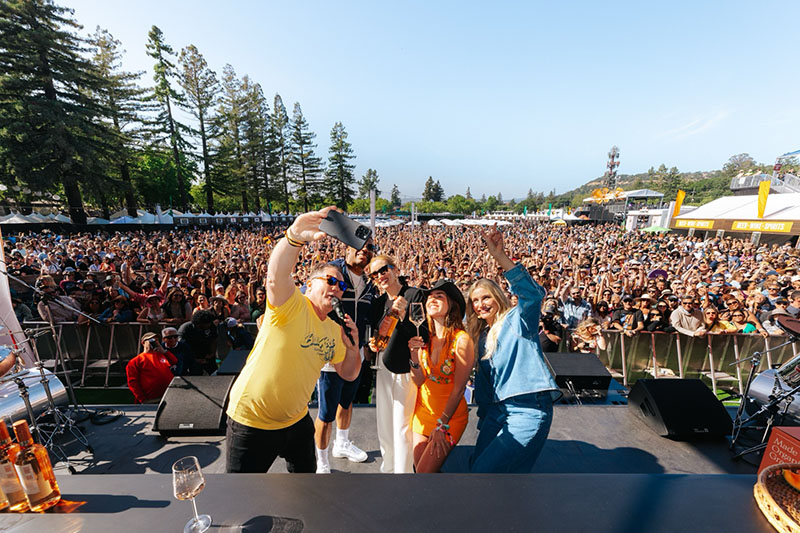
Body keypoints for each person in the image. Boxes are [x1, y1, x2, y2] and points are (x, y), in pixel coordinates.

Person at [225, 207, 360, 474]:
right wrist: (294, 237)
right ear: (309, 284)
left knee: (305, 490)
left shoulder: (335, 330)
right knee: (241, 498)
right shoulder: (291, 305)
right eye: (331, 280)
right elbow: (276, 276)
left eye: (342, 286)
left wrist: (353, 346)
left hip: (297, 422)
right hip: (252, 421)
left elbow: (348, 373)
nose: (336, 288)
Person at [465, 226, 561, 473]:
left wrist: (501, 257)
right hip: (497, 411)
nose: (480, 304)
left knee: (484, 473)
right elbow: (485, 387)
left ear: (497, 297)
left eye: (485, 297)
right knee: (478, 466)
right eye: (475, 300)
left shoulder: (517, 320)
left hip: (528, 408)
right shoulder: (482, 337)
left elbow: (532, 295)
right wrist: (484, 421)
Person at [314, 240, 377, 474]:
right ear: (346, 248)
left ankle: (341, 443)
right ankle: (321, 458)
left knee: (347, 401)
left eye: (369, 247)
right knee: (325, 412)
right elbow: (308, 295)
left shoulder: (370, 284)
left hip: (356, 351)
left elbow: (370, 316)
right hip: (330, 354)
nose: (364, 250)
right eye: (358, 245)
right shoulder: (334, 274)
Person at [367, 254, 425, 474]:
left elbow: (422, 331)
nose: (381, 276)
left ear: (395, 269)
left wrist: (403, 317)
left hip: (404, 365)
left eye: (384, 270)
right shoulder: (379, 303)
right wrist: (372, 344)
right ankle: (388, 466)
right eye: (375, 274)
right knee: (384, 421)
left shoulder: (412, 294)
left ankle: (402, 473)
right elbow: (376, 332)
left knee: (402, 423)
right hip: (382, 365)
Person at [408, 279, 473, 473]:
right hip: (423, 412)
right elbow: (420, 380)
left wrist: (442, 425)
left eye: (439, 296)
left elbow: (459, 389)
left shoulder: (462, 340)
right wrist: (413, 354)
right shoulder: (425, 337)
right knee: (421, 470)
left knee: (424, 472)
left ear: (451, 304)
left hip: (448, 418)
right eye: (429, 297)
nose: (432, 299)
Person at [125, 332, 177, 404]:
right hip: (151, 399)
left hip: (168, 396)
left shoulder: (162, 355)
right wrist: (142, 399)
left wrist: (164, 352)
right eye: (151, 340)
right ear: (143, 343)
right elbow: (133, 383)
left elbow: (174, 361)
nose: (154, 342)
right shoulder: (136, 361)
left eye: (156, 340)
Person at [178, 309, 219, 375]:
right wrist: (194, 359)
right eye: (207, 323)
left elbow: (214, 339)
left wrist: (212, 353)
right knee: (196, 375)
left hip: (207, 355)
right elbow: (183, 347)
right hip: (192, 356)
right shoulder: (186, 329)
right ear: (199, 323)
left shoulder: (211, 326)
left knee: (215, 373)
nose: (209, 325)